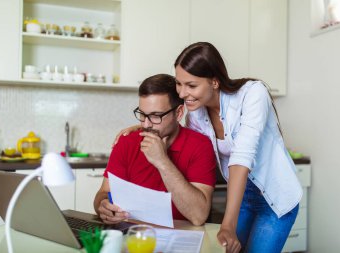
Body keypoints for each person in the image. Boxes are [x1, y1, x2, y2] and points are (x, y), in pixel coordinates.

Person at [114, 42, 302, 253]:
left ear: (214, 81)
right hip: (241, 195)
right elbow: (179, 130)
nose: (183, 93)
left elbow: (242, 157)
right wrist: (148, 123)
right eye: (179, 83)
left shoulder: (253, 94)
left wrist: (228, 225)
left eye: (191, 85)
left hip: (275, 197)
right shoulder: (197, 111)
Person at [94, 73, 216, 226]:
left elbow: (198, 216)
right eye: (143, 115)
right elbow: (103, 193)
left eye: (155, 116)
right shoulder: (127, 141)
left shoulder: (200, 145)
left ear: (178, 113)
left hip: (181, 236)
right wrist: (103, 206)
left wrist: (162, 161)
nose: (146, 125)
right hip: (134, 235)